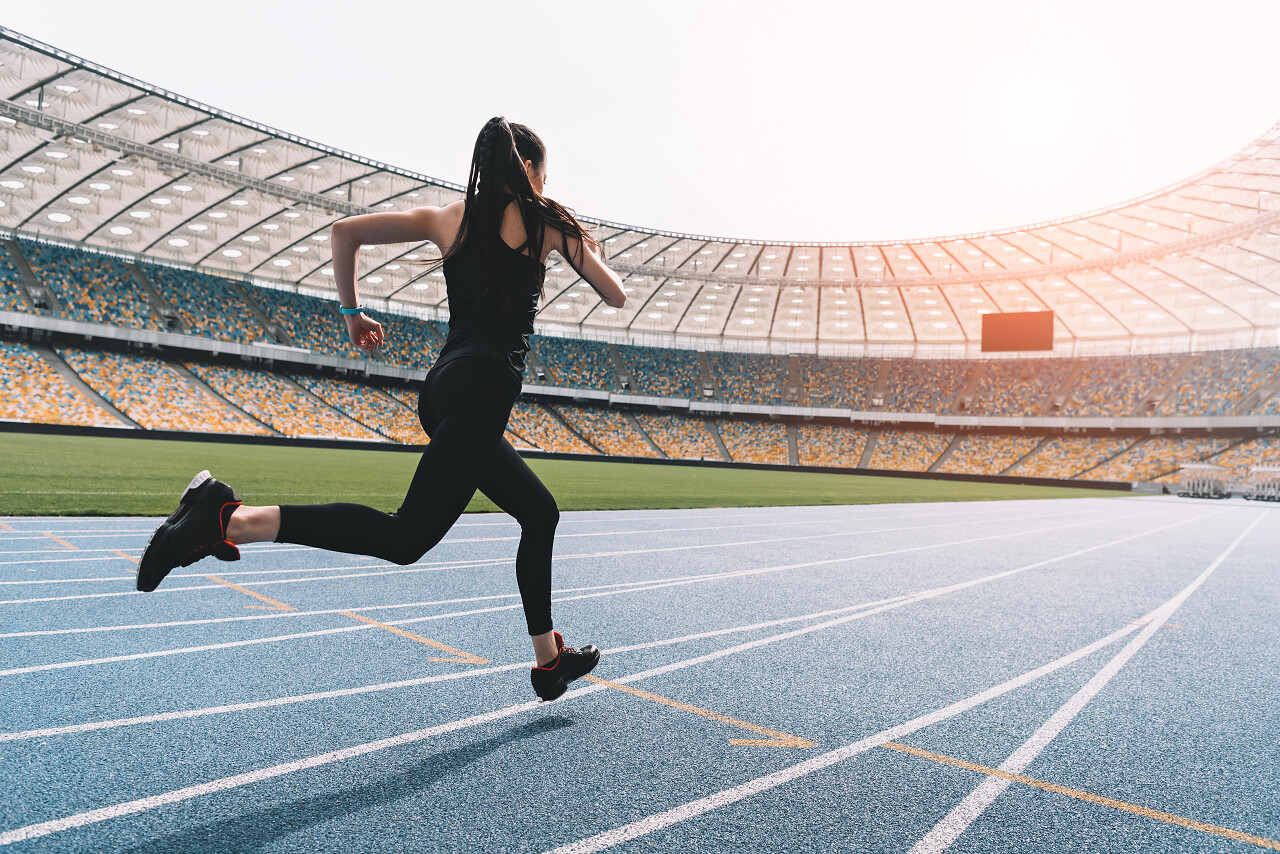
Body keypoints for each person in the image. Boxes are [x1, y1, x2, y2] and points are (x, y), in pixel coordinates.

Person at [136, 117, 627, 702]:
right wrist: (583, 244)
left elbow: (344, 232)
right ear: (533, 173)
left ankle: (549, 663)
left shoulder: (448, 218)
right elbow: (614, 293)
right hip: (484, 392)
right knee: (404, 539)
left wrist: (353, 315)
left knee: (539, 512)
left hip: (444, 388)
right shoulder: (547, 222)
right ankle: (227, 518)